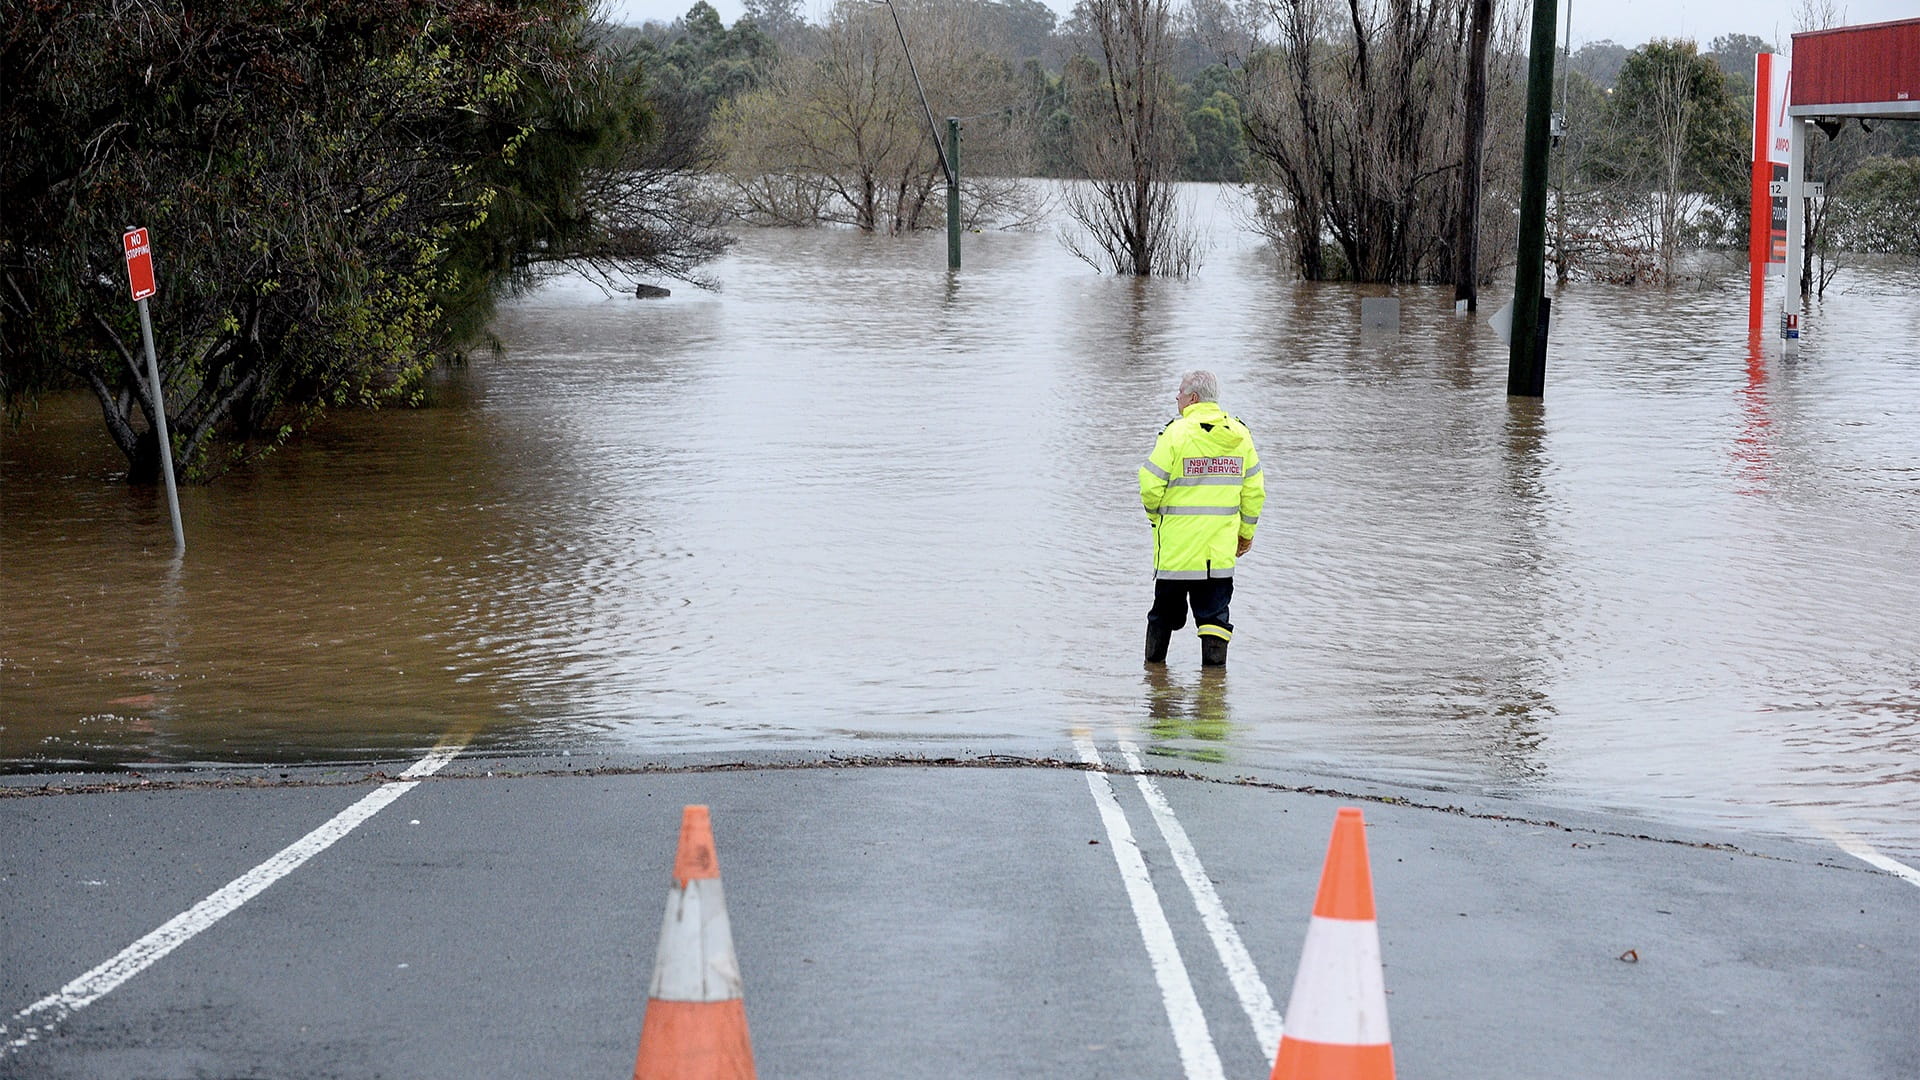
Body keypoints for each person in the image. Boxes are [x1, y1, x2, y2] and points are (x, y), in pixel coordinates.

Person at [1138, 370, 1265, 667]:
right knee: (1215, 619)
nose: (1176, 396)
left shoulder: (1175, 434)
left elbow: (1149, 486)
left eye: (1180, 391)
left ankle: (1155, 685)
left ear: (1193, 398)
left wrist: (1157, 519)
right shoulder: (1240, 435)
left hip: (1177, 553)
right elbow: (1255, 492)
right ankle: (1213, 693)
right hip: (1218, 555)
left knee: (1163, 616)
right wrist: (1245, 534)